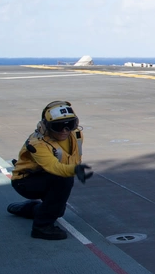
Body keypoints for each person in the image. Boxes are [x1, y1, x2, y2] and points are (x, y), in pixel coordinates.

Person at [6, 101, 93, 240]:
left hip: (48, 176)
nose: (65, 130)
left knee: (57, 211)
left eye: (69, 125)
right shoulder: (37, 144)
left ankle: (31, 209)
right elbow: (54, 167)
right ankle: (41, 227)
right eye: (58, 126)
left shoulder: (76, 135)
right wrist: (75, 170)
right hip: (25, 181)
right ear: (46, 126)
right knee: (64, 180)